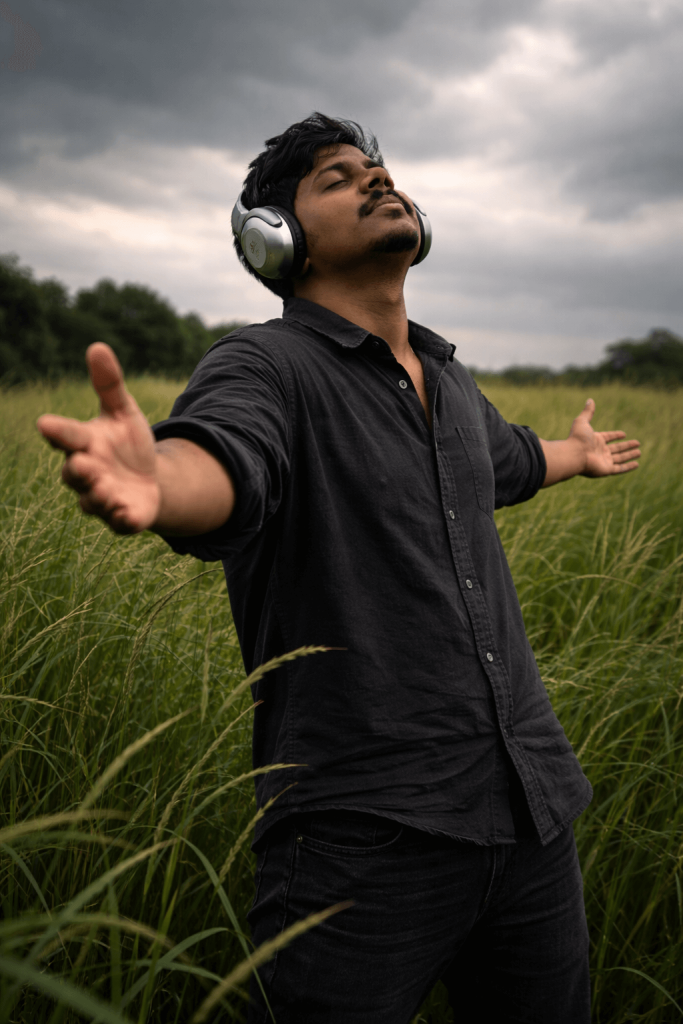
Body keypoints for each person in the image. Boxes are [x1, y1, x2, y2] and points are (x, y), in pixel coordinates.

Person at [38, 113, 640, 1024]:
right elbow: (228, 458)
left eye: (378, 167)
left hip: (529, 815)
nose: (374, 179)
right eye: (334, 177)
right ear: (276, 241)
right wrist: (160, 481)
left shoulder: (449, 380)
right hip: (361, 843)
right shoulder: (264, 364)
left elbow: (508, 463)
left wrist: (577, 453)